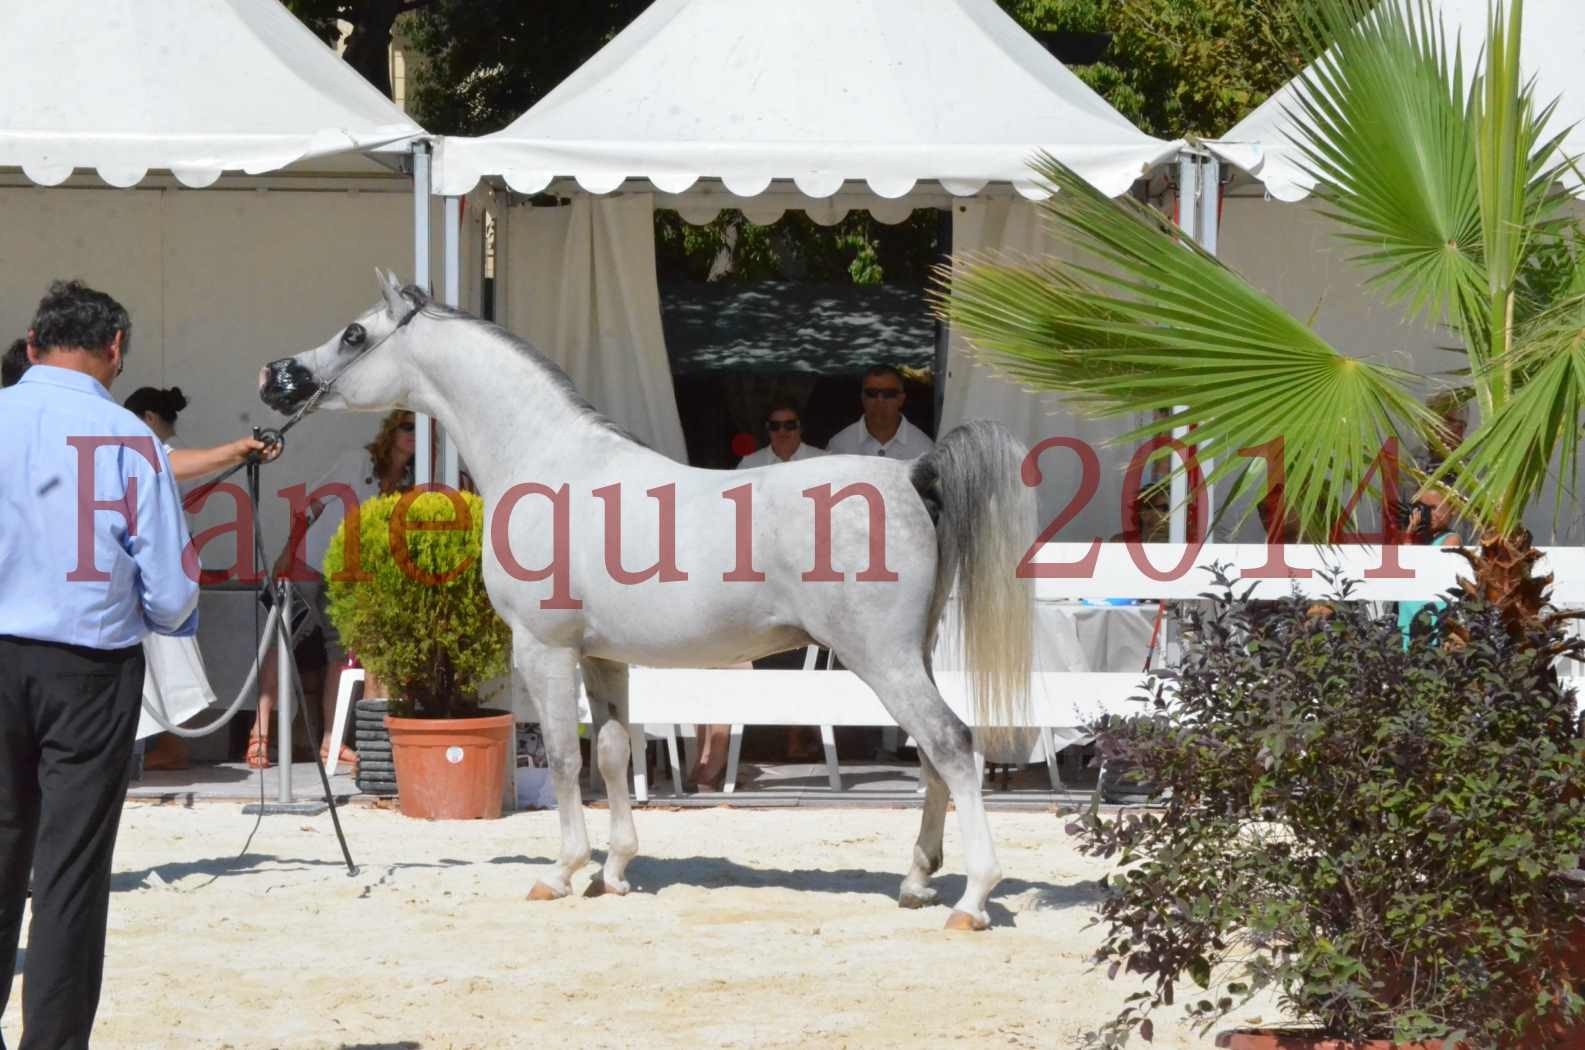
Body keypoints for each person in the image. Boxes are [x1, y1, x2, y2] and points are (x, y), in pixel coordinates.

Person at [0, 280, 199, 1050]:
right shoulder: (132, 439)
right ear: (114, 350)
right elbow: (174, 591)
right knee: (70, 874)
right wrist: (154, 616)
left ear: (30, 339)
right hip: (86, 665)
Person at [115, 385, 278, 771]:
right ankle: (153, 748)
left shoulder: (155, 451)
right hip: (143, 569)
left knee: (161, 663)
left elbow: (170, 468)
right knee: (153, 666)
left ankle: (165, 747)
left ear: (149, 418)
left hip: (153, 572)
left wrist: (236, 451)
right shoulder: (136, 448)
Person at [246, 410, 417, 772]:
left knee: (342, 656)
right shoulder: (358, 462)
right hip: (311, 561)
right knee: (280, 643)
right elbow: (310, 507)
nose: (413, 435)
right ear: (391, 430)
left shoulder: (412, 481)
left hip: (354, 577)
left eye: (420, 430)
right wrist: (286, 554)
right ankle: (258, 735)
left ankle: (332, 741)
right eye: (406, 426)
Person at [690, 403, 828, 788]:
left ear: (802, 428)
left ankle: (714, 759)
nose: (783, 431)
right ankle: (709, 757)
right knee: (717, 658)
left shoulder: (822, 461)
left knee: (727, 658)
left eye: (790, 425)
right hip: (758, 578)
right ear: (767, 429)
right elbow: (733, 523)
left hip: (809, 580)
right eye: (775, 426)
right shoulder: (749, 463)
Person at [825, 365, 934, 460]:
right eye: (872, 393)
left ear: (901, 399)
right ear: (863, 398)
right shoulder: (839, 446)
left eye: (889, 393)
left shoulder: (924, 449)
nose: (880, 400)